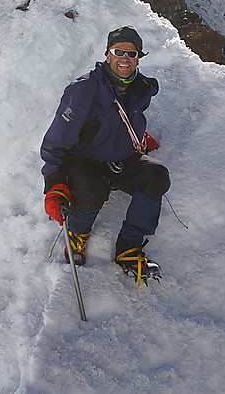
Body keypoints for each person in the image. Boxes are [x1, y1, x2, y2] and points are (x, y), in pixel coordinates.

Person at [41, 26, 170, 284]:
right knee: (92, 194)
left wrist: (138, 137)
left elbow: (123, 118)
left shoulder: (139, 88)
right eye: (118, 51)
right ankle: (77, 233)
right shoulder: (84, 90)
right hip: (84, 160)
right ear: (107, 55)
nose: (125, 59)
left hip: (122, 158)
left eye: (131, 54)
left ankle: (129, 247)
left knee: (157, 176)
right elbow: (56, 141)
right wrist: (54, 184)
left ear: (138, 58)